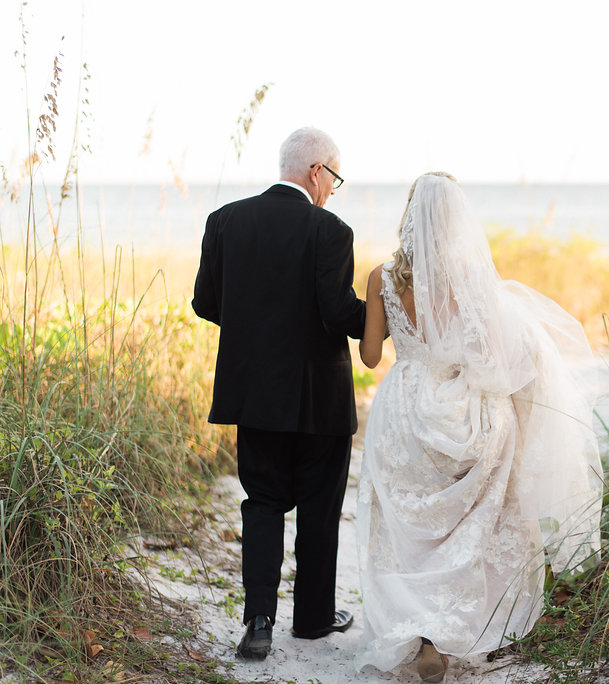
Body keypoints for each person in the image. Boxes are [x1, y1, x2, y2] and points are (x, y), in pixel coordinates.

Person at [354, 172, 603, 682]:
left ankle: (418, 630)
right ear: (456, 220)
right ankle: (446, 632)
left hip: (404, 408)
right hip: (464, 408)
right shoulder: (470, 277)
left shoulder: (382, 277)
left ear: (410, 215)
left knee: (410, 526)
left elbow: (372, 357)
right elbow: (491, 358)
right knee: (468, 524)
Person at [192, 127, 366, 660]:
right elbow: (339, 313)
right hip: (320, 398)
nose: (332, 189)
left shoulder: (225, 221)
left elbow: (205, 302)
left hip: (256, 394)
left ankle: (259, 622)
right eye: (334, 178)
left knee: (263, 502)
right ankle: (312, 619)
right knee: (319, 507)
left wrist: (254, 329)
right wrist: (385, 317)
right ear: (317, 171)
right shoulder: (331, 230)